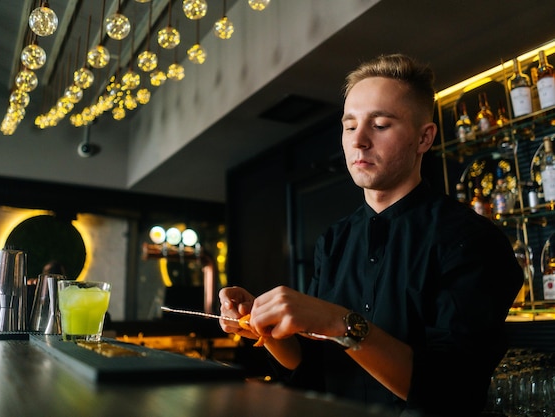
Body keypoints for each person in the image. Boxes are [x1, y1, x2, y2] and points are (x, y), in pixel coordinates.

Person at [219, 54, 523, 417]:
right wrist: (265, 327)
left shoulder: (471, 240)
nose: (359, 141)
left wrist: (339, 322)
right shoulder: (334, 241)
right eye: (349, 126)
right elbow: (313, 370)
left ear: (424, 138)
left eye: (379, 125)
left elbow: (448, 389)